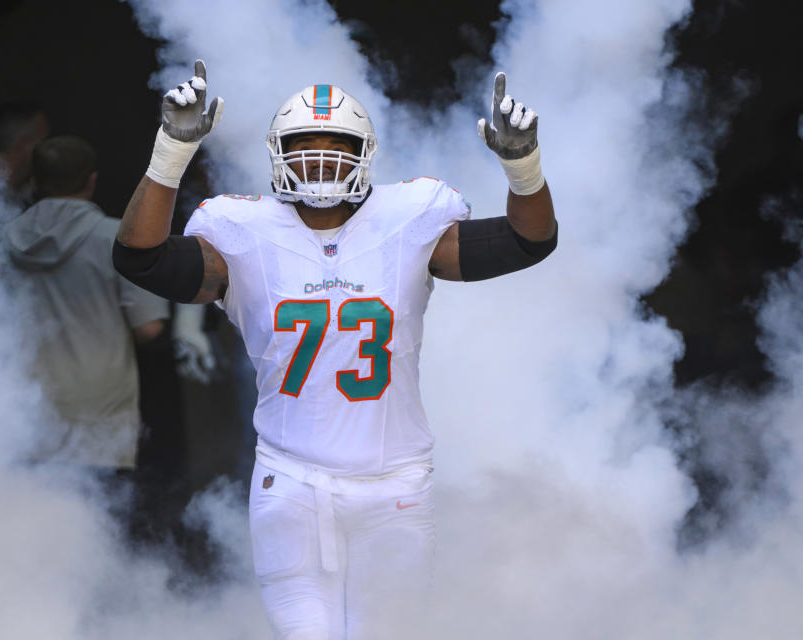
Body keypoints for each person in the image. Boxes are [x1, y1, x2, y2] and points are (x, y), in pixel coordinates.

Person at [113, 61, 557, 639]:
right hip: (291, 482)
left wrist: (523, 167)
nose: (320, 157)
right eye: (304, 143)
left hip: (396, 485)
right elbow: (139, 257)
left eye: (336, 143)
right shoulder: (242, 231)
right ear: (279, 152)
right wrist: (170, 151)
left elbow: (530, 240)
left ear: (364, 151)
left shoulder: (408, 220)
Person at [5, 135, 171, 471]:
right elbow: (149, 329)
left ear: (35, 181)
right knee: (97, 519)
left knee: (26, 519)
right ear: (92, 180)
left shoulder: (1, 240)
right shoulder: (118, 240)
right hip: (100, 421)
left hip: (24, 412)